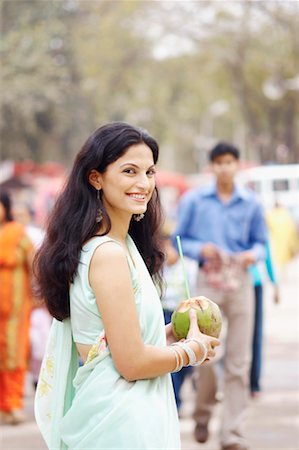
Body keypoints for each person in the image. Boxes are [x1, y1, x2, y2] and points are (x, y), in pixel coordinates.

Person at [33, 122, 220, 450]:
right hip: (120, 424)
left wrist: (172, 334)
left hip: (130, 415)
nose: (143, 183)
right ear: (96, 178)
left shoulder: (122, 247)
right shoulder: (107, 254)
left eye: (149, 172)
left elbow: (115, 346)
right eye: (129, 171)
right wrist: (193, 350)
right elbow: (131, 363)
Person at [174, 142, 267, 450]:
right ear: (212, 166)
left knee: (239, 362)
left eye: (230, 162)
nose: (224, 167)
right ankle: (202, 413)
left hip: (240, 282)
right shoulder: (195, 200)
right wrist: (202, 249)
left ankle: (232, 433)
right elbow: (177, 240)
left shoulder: (251, 202)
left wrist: (252, 255)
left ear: (237, 165)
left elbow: (261, 244)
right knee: (204, 355)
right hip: (207, 285)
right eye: (219, 162)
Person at [0, 190, 34, 425]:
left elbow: (33, 263)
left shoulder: (17, 233)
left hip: (14, 309)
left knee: (13, 355)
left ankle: (13, 404)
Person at [161, 224, 198, 412]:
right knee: (171, 360)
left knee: (187, 365)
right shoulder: (158, 267)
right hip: (165, 314)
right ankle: (175, 402)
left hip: (185, 314)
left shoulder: (188, 266)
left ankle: (182, 389)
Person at [248, 241, 278, 397]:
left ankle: (253, 382)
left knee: (255, 335)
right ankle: (253, 384)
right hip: (221, 283)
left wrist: (274, 282)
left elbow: (264, 250)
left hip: (253, 283)